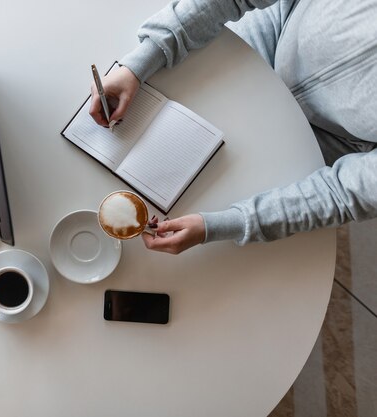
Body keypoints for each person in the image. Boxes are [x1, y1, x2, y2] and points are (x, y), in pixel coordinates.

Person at [89, 0, 377, 254]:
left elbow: (343, 194)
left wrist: (218, 226)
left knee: (209, 197)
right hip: (264, 37)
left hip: (313, 139)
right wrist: (140, 63)